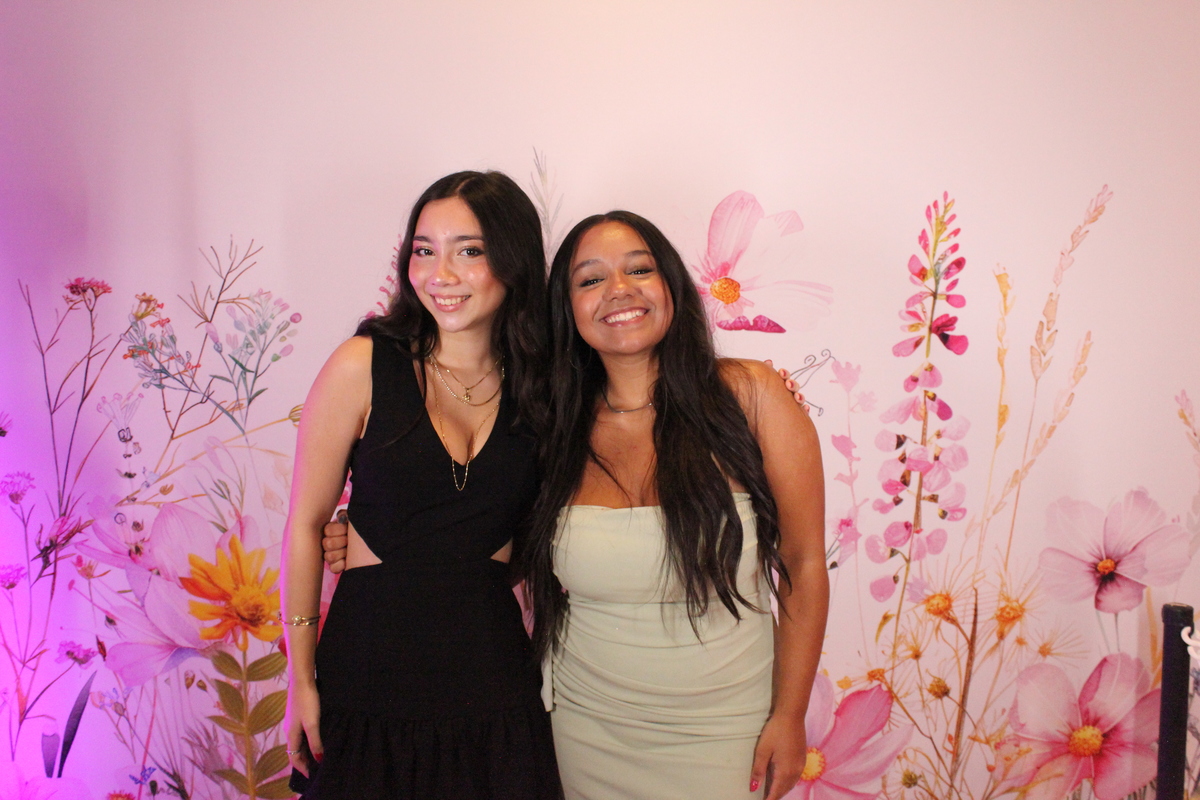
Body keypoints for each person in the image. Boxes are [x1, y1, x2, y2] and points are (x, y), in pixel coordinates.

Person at [521, 211, 828, 800]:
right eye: (591, 279)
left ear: (671, 286)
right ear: (567, 308)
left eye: (640, 269)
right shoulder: (551, 425)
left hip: (727, 730)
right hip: (587, 726)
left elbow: (804, 562)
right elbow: (487, 539)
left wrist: (789, 716)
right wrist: (360, 533)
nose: (619, 290)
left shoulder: (750, 395)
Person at [280, 171, 563, 799]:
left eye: (469, 250)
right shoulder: (362, 365)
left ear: (513, 261)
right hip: (368, 672)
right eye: (424, 250)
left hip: (494, 679)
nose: (441, 274)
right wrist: (301, 679)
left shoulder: (545, 384)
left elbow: (537, 530)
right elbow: (304, 525)